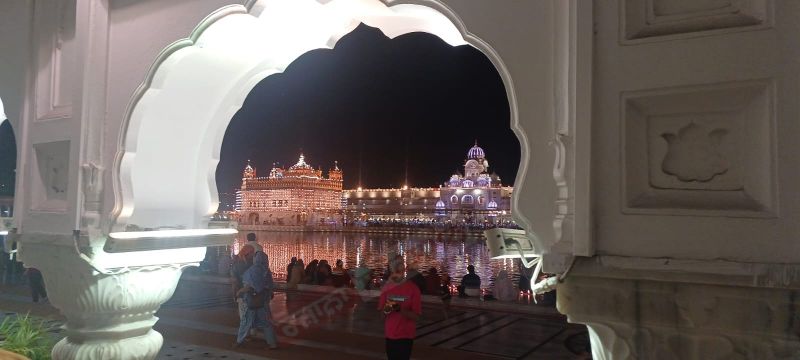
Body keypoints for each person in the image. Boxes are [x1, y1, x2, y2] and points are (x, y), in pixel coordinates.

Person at [378, 255, 421, 360]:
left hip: (406, 336)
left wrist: (400, 309)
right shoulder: (387, 288)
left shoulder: (413, 289)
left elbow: (416, 317)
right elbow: (381, 316)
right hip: (390, 335)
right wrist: (387, 308)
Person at [233, 252, 278, 349]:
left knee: (245, 321)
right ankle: (272, 343)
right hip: (263, 302)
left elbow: (248, 287)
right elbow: (270, 287)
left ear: (255, 259)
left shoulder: (253, 270)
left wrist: (239, 292)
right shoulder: (266, 271)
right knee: (266, 323)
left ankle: (239, 341)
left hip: (251, 301)